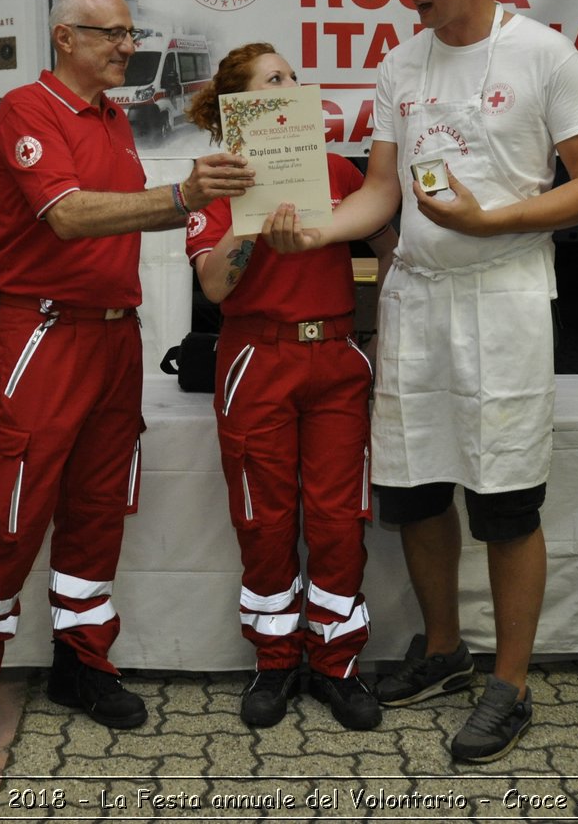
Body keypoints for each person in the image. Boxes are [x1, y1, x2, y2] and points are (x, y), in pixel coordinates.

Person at [262, 0, 578, 762]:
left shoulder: (542, 54)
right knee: (417, 491)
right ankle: (445, 650)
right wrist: (316, 228)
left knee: (503, 500)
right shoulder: (400, 64)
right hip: (415, 303)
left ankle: (512, 684)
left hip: (503, 302)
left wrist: (493, 221)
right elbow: (383, 191)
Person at [0, 0, 255, 756]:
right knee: (13, 511)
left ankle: (81, 663)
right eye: (111, 34)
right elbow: (69, 214)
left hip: (114, 337)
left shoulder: (112, 117)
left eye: (129, 32)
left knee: (98, 509)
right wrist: (181, 195)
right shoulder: (27, 110)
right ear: (64, 39)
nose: (127, 46)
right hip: (43, 333)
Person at [183, 43, 398, 731]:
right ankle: (276, 661)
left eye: (294, 78)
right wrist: (253, 216)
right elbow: (215, 284)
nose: (292, 88)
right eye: (274, 80)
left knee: (339, 518)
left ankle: (336, 663)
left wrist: (380, 332)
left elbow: (390, 248)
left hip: (334, 357)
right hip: (257, 359)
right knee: (264, 516)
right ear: (239, 105)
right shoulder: (212, 180)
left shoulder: (336, 168)